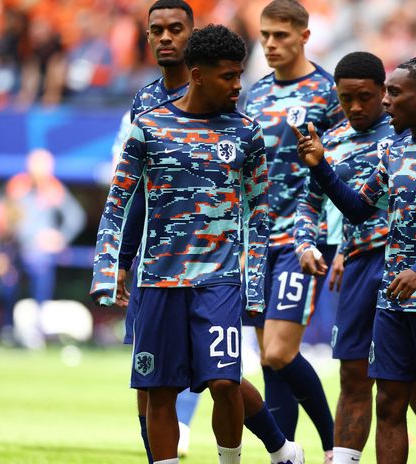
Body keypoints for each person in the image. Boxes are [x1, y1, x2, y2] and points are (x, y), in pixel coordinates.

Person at [90, 24, 302, 464]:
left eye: (240, 74)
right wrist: (108, 269)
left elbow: (259, 216)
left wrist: (256, 286)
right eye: (228, 76)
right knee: (159, 390)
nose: (238, 85)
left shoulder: (247, 133)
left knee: (225, 383)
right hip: (158, 281)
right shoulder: (148, 127)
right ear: (198, 74)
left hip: (219, 280)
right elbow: (117, 204)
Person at [295, 56, 416, 464]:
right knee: (388, 403)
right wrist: (321, 167)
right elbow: (358, 209)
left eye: (394, 93)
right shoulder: (393, 149)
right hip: (393, 298)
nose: (386, 102)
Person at [242, 3, 343, 459]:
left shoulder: (327, 93)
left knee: (280, 352)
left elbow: (346, 167)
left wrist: (339, 242)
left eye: (281, 35)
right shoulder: (255, 94)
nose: (270, 44)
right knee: (269, 363)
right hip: (258, 241)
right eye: (265, 35)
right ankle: (283, 454)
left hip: (303, 240)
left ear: (304, 35)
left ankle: (335, 445)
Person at [109, 1, 198, 458]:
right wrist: (123, 259)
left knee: (218, 374)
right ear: (146, 37)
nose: (165, 37)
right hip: (151, 260)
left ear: (192, 33)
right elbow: (137, 190)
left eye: (175, 29)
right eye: (156, 30)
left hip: (207, 259)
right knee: (145, 375)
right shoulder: (143, 100)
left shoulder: (216, 92)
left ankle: (280, 447)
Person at [0, 148, 86, 349]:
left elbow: (76, 217)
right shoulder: (16, 186)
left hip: (38, 253)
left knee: (40, 278)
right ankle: (7, 330)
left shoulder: (53, 189)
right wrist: (5, 231)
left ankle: (36, 331)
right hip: (15, 249)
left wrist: (60, 237)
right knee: (8, 283)